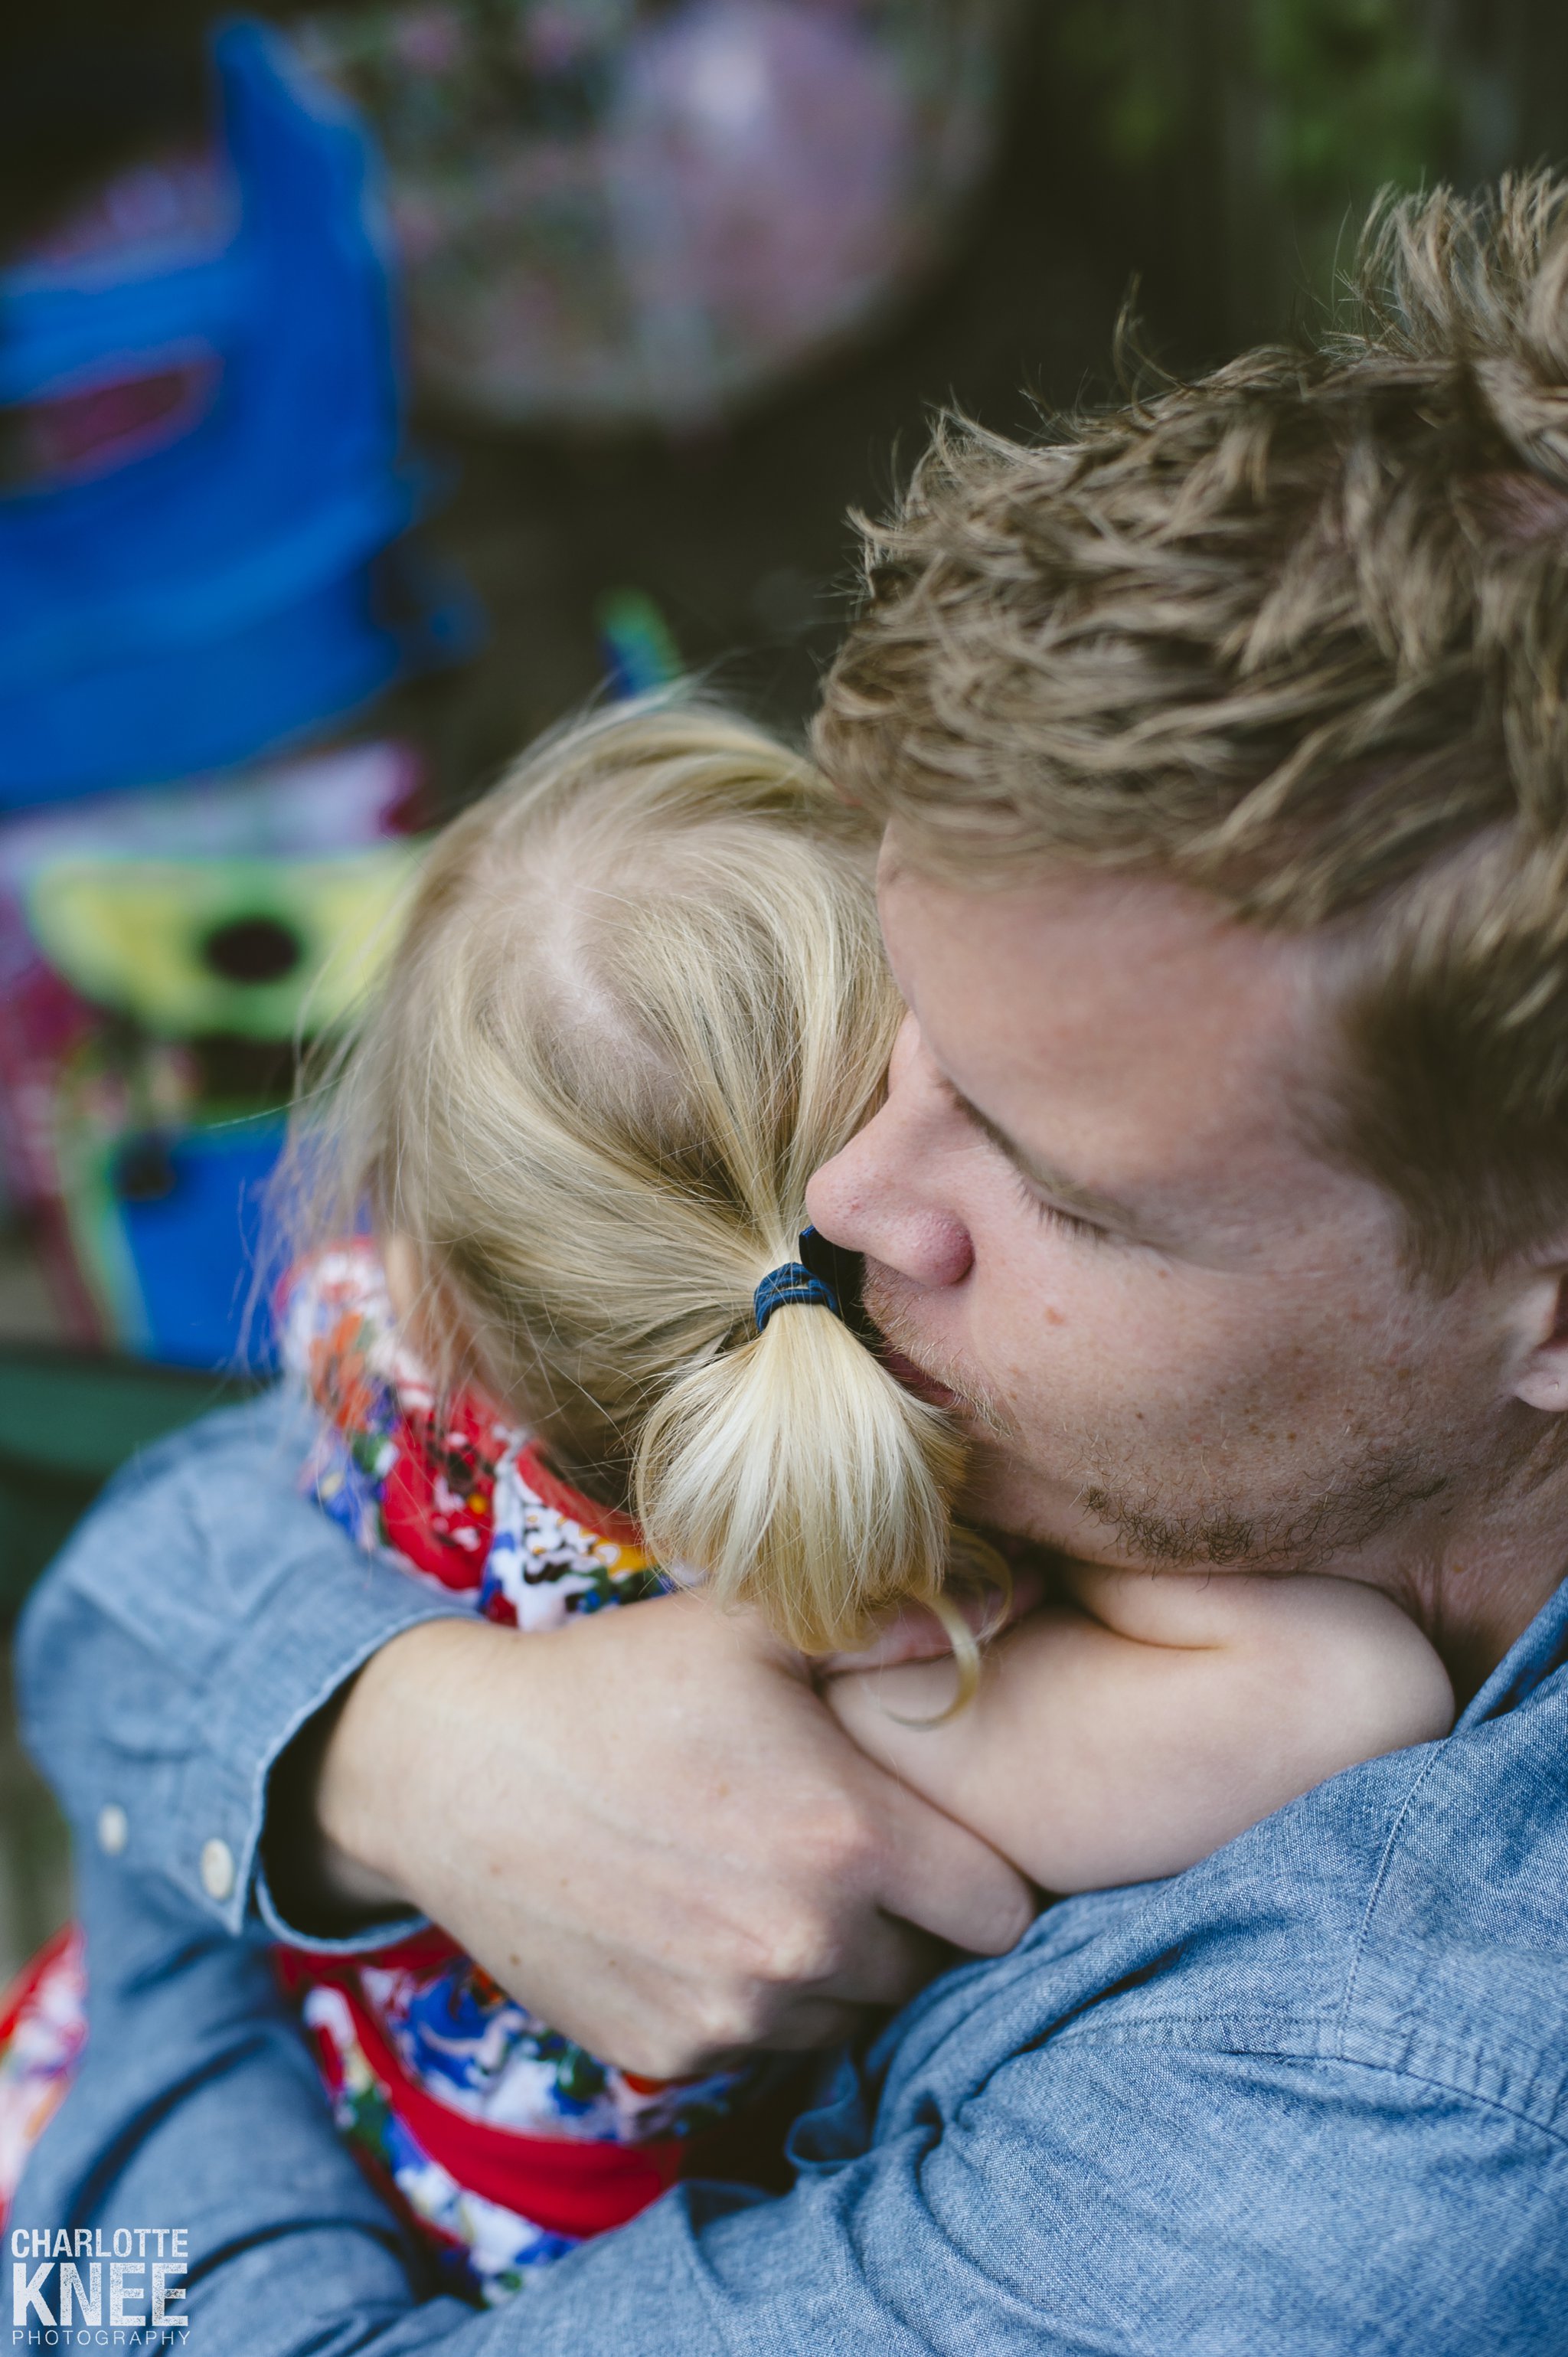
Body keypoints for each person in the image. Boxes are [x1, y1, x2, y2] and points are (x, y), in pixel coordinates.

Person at [15, 175, 1568, 2349]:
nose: (842, 1203)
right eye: (899, 1039)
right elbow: (130, 1587)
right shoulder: (1082, 1408)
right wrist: (392, 1750)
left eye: (1055, 1177)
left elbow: (138, 1641)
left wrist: (173, 1973)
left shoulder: (1373, 2147)